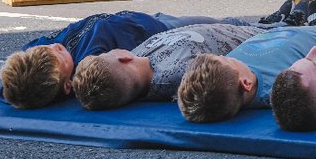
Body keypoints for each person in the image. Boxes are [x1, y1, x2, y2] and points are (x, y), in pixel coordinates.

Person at [0, 11, 224, 109]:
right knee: (224, 25)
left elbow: (9, 91)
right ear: (68, 85)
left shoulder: (38, 53)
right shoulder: (89, 65)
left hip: (136, 19)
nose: (57, 45)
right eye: (60, 55)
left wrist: (19, 87)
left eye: (50, 47)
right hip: (161, 32)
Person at [176, 22, 316, 123]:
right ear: (245, 83)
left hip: (306, 28)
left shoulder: (228, 74)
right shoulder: (285, 83)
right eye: (229, 59)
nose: (230, 56)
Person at [72, 22, 270, 110]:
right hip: (257, 36)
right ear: (123, 59)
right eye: (108, 53)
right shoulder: (177, 76)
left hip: (225, 25)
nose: (112, 50)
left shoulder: (140, 57)